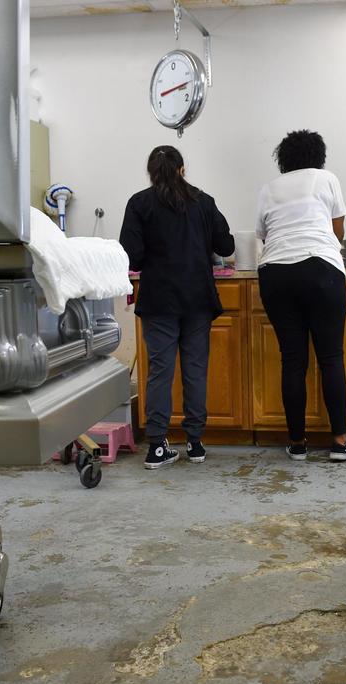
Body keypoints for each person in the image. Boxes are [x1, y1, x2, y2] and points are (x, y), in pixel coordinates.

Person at [121, 146, 234, 470]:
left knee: (160, 371)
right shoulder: (204, 201)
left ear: (151, 173)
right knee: (195, 370)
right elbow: (226, 246)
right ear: (182, 169)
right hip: (198, 298)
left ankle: (157, 446)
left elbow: (132, 256)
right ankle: (195, 444)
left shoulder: (139, 203)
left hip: (158, 300)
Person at [255, 130, 346, 462]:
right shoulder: (325, 179)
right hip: (320, 269)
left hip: (276, 273)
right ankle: (340, 443)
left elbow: (264, 233)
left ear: (283, 159)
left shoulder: (269, 188)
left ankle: (298, 444)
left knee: (293, 360)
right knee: (330, 357)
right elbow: (338, 231)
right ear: (318, 156)